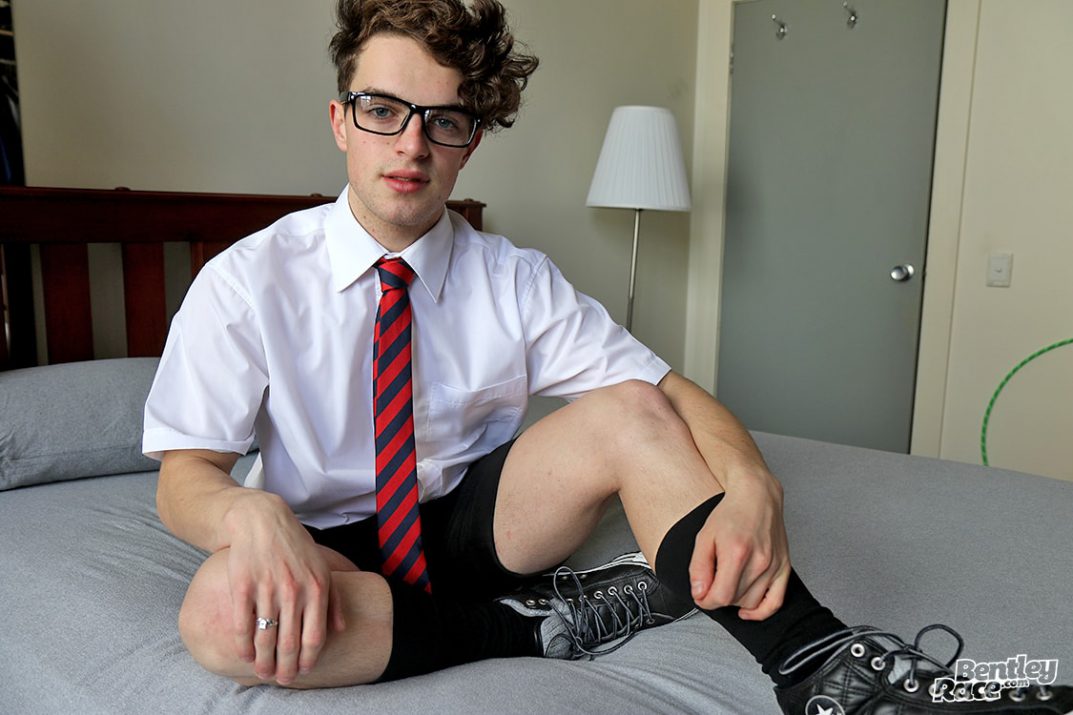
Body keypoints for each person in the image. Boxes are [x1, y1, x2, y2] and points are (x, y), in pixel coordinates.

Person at [143, 1, 1072, 713]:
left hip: (476, 524)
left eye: (444, 120)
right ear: (342, 120)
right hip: (322, 538)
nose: (411, 145)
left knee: (631, 409)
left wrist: (754, 483)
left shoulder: (512, 276)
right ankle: (533, 627)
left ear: (470, 143)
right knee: (218, 617)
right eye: (383, 110)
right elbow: (185, 476)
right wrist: (251, 512)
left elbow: (668, 394)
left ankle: (822, 670)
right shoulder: (247, 279)